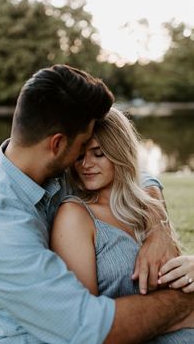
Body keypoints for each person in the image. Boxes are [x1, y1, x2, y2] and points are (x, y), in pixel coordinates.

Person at [0, 64, 194, 344]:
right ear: (58, 144)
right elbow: (85, 330)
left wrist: (159, 228)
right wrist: (185, 304)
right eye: (82, 146)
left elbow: (135, 175)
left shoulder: (51, 170)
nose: (83, 162)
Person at [51, 108, 194, 343]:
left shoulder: (146, 206)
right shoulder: (75, 216)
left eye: (98, 153)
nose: (85, 164)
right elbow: (86, 323)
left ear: (120, 151)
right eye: (79, 155)